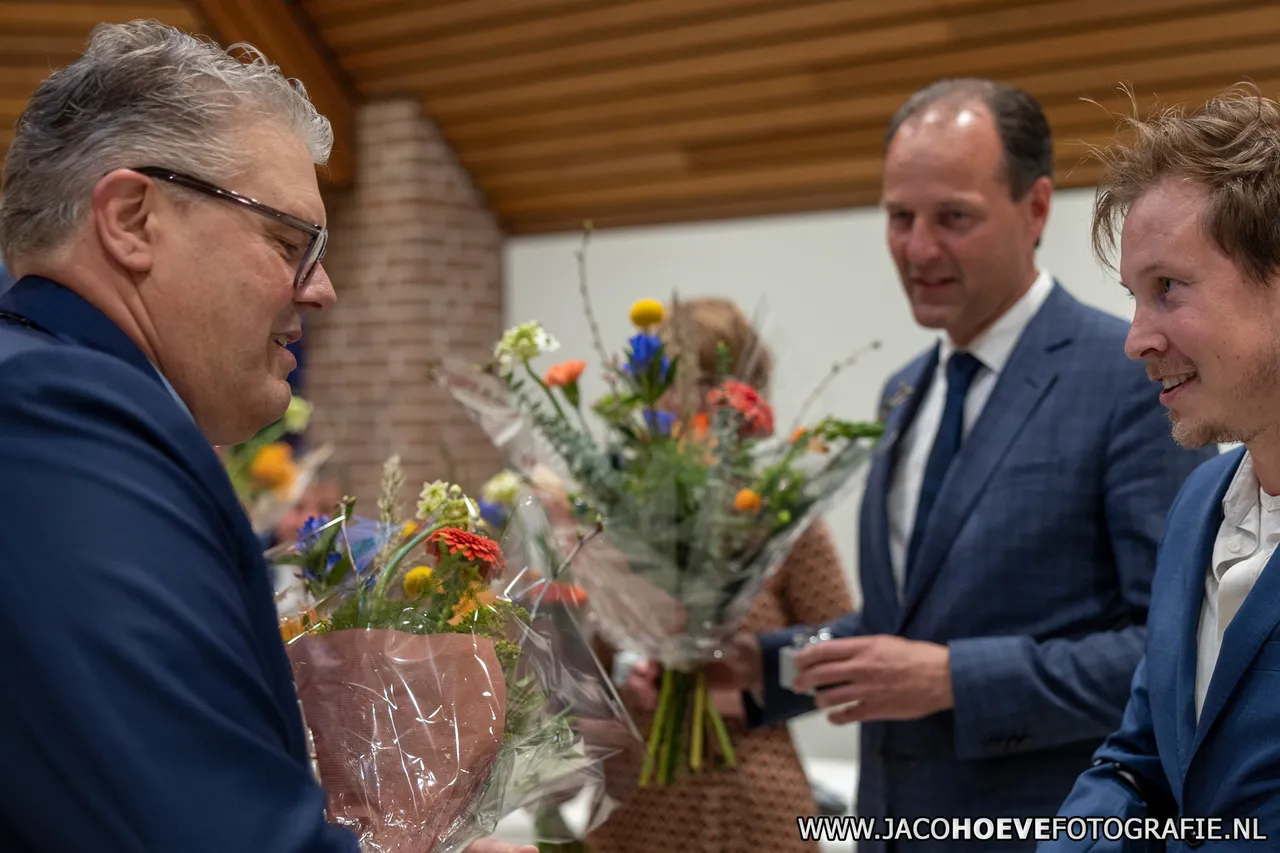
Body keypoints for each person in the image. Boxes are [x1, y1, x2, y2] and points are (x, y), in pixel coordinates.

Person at [0, 21, 532, 853]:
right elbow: (188, 824)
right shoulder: (53, 412)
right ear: (132, 220)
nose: (321, 290)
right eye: (288, 243)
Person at [693, 79, 1219, 851]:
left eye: (953, 218)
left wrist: (952, 679)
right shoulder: (903, 392)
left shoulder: (1132, 379)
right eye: (899, 218)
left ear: (1035, 208)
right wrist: (760, 669)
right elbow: (902, 626)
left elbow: (1174, 650)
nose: (917, 249)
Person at [1042, 84, 1280, 851]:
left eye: (1168, 288)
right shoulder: (1199, 501)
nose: (1135, 338)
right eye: (1134, 297)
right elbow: (1142, 758)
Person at [585, 297, 856, 853]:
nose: (670, 401)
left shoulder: (777, 513)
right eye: (658, 381)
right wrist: (622, 674)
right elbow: (593, 662)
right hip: (632, 796)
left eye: (698, 383)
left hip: (744, 795)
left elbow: (842, 649)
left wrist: (745, 686)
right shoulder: (624, 512)